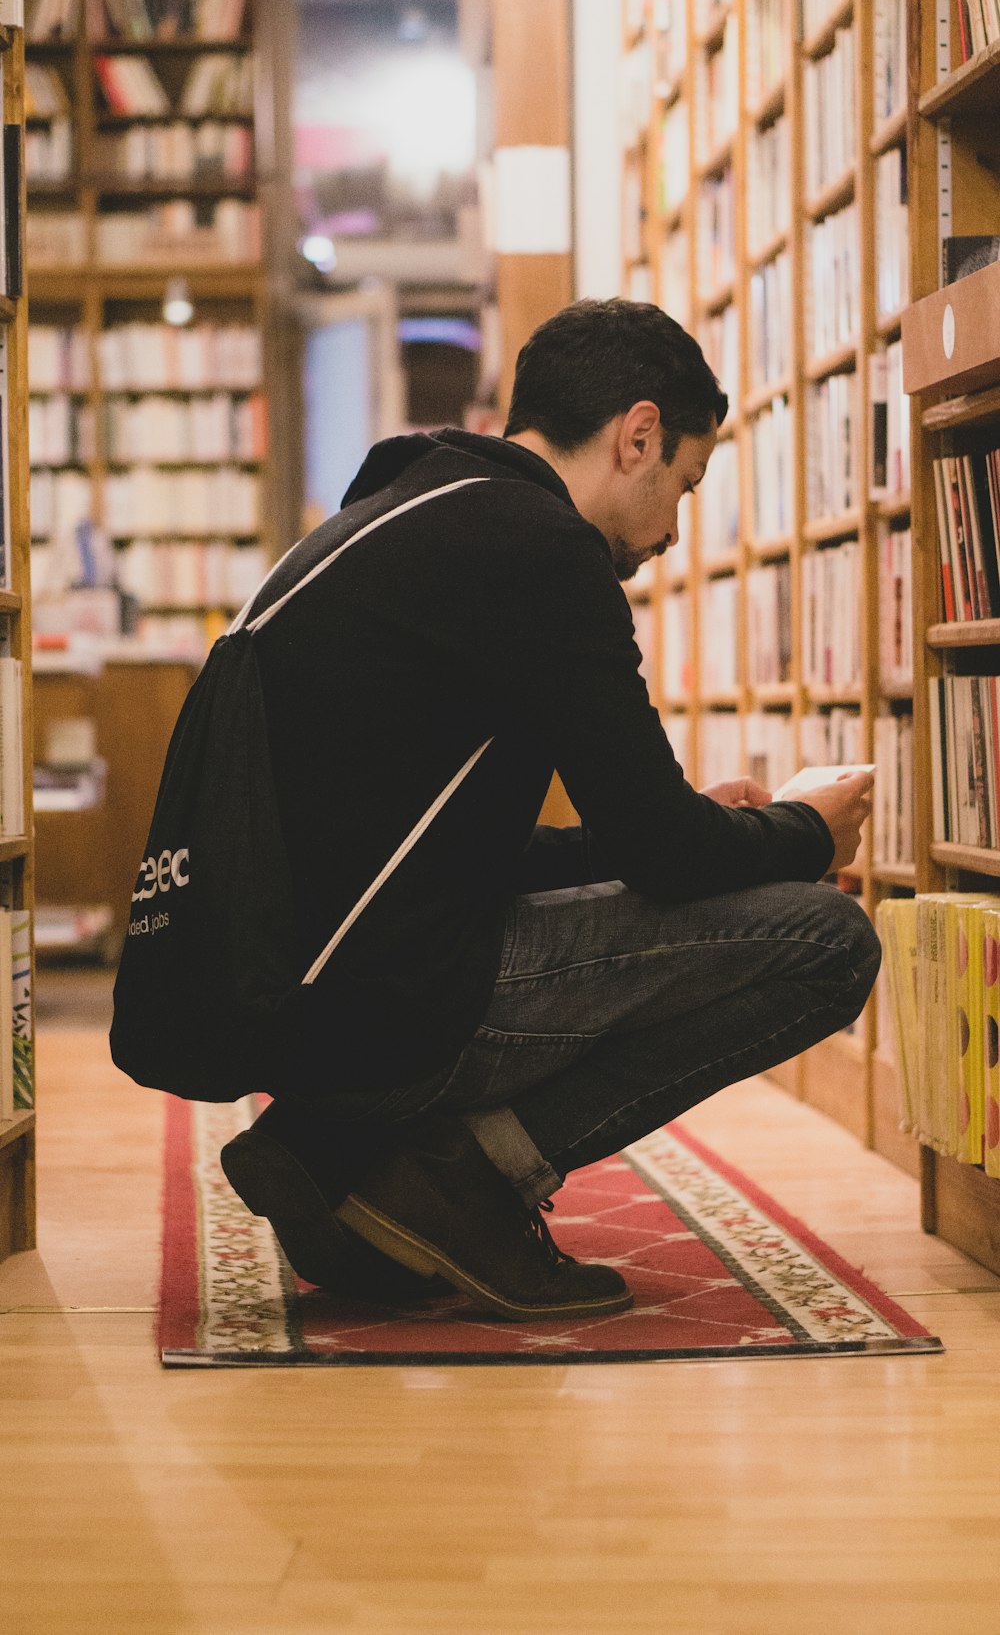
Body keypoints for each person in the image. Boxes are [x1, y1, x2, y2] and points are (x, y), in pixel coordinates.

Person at [221, 297, 879, 1322]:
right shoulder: (545, 552)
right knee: (832, 939)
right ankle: (461, 1175)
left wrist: (696, 831)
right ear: (638, 435)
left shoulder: (416, 504)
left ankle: (363, 1148)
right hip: (393, 998)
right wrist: (801, 834)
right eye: (684, 484)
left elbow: (451, 843)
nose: (672, 530)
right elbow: (660, 852)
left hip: (308, 991)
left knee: (644, 869)